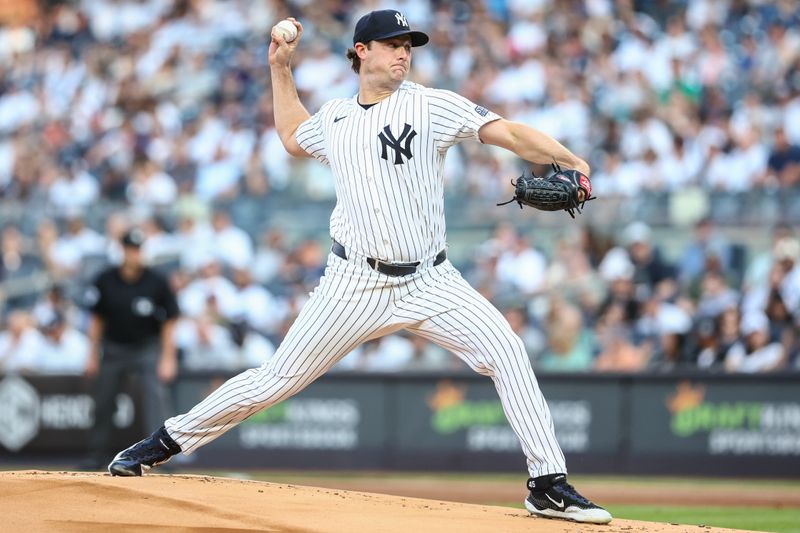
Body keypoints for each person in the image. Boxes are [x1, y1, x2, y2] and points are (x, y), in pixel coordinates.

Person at [107, 10, 611, 525]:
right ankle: (163, 441)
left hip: (430, 279)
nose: (404, 52)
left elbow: (507, 132)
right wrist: (280, 68)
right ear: (361, 51)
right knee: (275, 380)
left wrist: (572, 162)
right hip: (353, 283)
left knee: (507, 351)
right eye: (392, 43)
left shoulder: (431, 104)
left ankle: (547, 484)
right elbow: (291, 135)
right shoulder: (335, 119)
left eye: (408, 44)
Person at [83, 228, 180, 468]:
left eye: (137, 249)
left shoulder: (156, 280)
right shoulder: (106, 279)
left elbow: (170, 319)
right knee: (103, 400)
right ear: (122, 250)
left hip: (146, 348)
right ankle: (97, 454)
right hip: (114, 348)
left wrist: (168, 357)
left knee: (155, 398)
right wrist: (92, 354)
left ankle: (161, 456)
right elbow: (97, 320)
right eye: (129, 249)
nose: (134, 254)